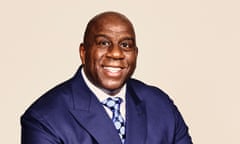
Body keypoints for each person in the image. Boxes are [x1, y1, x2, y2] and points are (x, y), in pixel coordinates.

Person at [21, 11, 192, 144]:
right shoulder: (43, 119)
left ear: (136, 54)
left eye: (125, 45)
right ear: (83, 52)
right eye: (104, 43)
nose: (116, 53)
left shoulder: (161, 106)